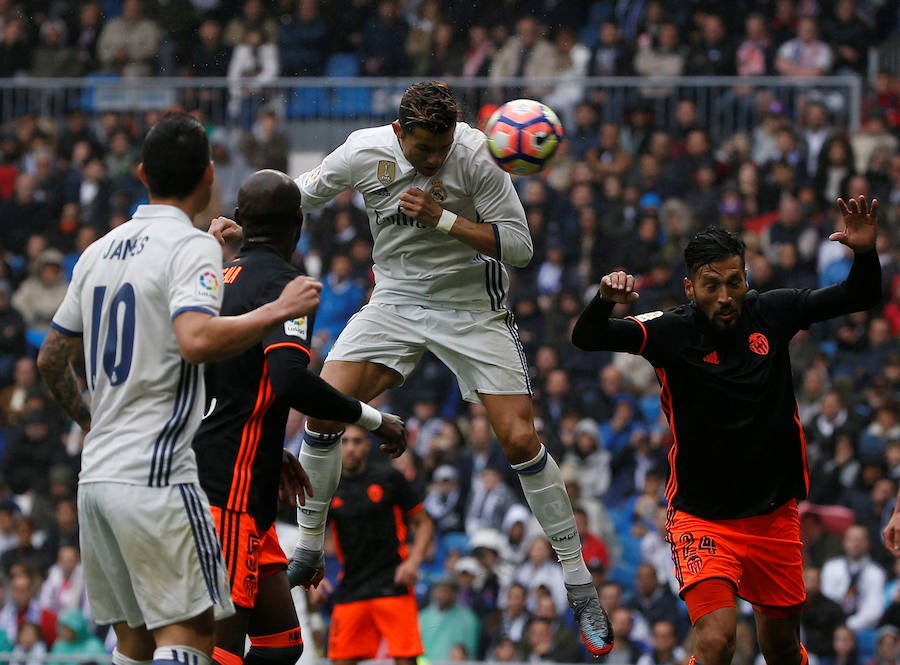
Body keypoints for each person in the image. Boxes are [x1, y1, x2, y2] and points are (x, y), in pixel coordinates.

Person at [212, 80, 613, 656]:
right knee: (322, 409)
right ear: (400, 134)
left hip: (473, 308)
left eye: (443, 146)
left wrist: (444, 218)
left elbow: (520, 248)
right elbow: (304, 191)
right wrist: (239, 222)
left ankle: (578, 581)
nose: (435, 159)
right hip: (395, 302)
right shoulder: (364, 150)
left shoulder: (478, 156)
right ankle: (310, 544)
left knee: (521, 440)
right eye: (424, 150)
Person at [35, 113, 323, 665]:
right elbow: (195, 340)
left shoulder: (97, 251)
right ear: (209, 177)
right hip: (160, 476)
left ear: (141, 173)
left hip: (97, 478)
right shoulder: (191, 247)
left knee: (136, 644)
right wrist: (276, 309)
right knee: (192, 638)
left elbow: (51, 359)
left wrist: (95, 423)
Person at [571, 195, 882, 665]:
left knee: (778, 648)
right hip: (703, 517)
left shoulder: (772, 312)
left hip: (773, 516)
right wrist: (603, 301)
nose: (725, 296)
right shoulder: (670, 332)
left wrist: (864, 251)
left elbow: (859, 295)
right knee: (717, 641)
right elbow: (587, 337)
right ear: (690, 287)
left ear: (746, 279)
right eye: (711, 285)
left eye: (734, 282)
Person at [192, 170, 406, 665]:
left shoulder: (214, 278)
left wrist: (272, 449)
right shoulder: (289, 286)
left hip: (241, 481)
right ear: (298, 222)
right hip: (229, 493)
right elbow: (289, 379)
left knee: (282, 645)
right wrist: (373, 418)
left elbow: (233, 382)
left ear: (242, 221)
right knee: (217, 653)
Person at [307, 423, 432, 665]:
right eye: (345, 442)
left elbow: (423, 522)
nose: (351, 448)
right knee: (340, 659)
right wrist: (314, 581)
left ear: (367, 445)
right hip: (352, 585)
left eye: (357, 441)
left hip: (393, 582)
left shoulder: (389, 478)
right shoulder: (328, 488)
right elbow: (311, 535)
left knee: (406, 660)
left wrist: (413, 562)